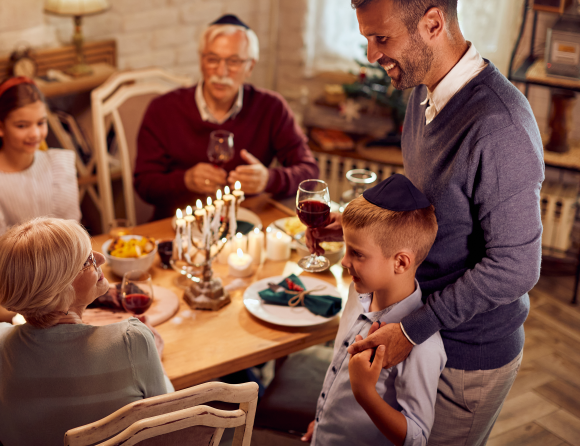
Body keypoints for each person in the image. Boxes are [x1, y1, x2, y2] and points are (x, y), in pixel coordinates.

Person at [307, 1, 544, 444]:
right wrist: (363, 230)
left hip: (466, 356)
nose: (372, 55)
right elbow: (430, 210)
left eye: (382, 39)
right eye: (367, 39)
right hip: (415, 329)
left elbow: (516, 268)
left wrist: (414, 331)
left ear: (433, 23)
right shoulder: (422, 93)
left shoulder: (499, 125)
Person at [0, 218, 169, 445]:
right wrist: (148, 355)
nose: (100, 258)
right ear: (59, 290)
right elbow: (174, 426)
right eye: (87, 260)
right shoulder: (133, 342)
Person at [302, 174, 445, 446]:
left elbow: (416, 439)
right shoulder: (357, 294)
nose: (344, 261)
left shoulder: (423, 346)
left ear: (401, 262)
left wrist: (365, 394)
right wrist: (322, 421)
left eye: (357, 253)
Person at [134, 14, 320, 219]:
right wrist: (185, 180)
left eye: (234, 62)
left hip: (247, 223)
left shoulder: (271, 107)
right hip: (179, 227)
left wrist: (269, 179)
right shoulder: (163, 109)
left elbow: (310, 172)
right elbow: (143, 184)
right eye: (212, 59)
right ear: (201, 60)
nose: (221, 72)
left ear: (250, 66)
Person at [0, 77, 80, 254]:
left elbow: (75, 235)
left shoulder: (58, 166)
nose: (34, 134)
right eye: (22, 125)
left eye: (41, 123)